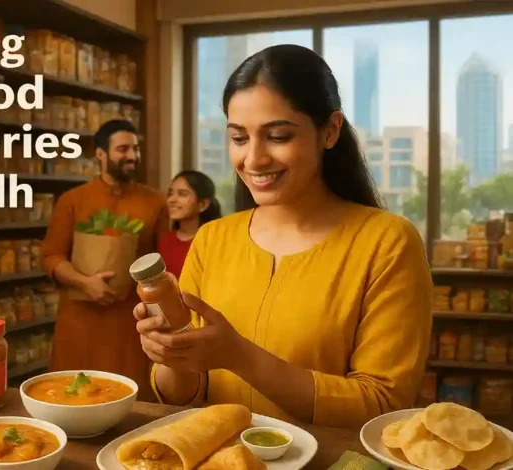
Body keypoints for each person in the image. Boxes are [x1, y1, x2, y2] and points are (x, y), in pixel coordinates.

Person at [134, 45, 433, 429]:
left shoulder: (388, 243)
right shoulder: (213, 240)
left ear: (330, 131)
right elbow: (182, 394)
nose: (254, 159)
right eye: (239, 138)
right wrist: (171, 356)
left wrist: (239, 356)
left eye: (277, 136)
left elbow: (383, 406)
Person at [42, 119, 169, 401]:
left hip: (130, 322)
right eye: (123, 149)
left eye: (135, 149)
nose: (132, 156)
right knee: (70, 398)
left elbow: (163, 261)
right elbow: (52, 256)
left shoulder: (155, 202)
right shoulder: (72, 200)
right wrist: (84, 282)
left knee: (131, 400)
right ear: (100, 154)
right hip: (80, 320)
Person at [158, 170, 222, 278]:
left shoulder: (214, 242)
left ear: (203, 204)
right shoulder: (165, 239)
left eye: (182, 194)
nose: (171, 200)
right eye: (170, 193)